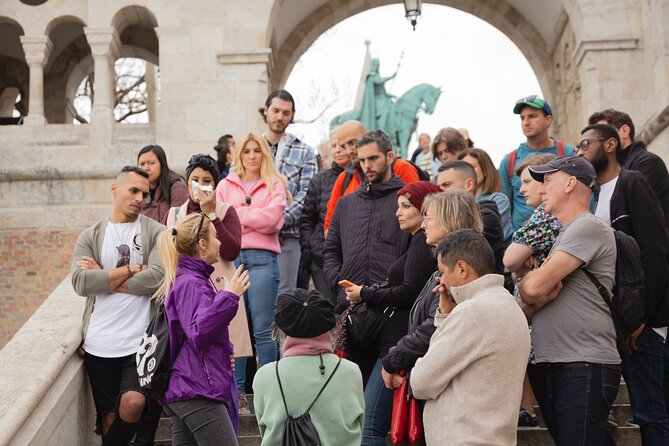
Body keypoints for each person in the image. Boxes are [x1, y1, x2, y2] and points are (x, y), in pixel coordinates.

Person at [577, 123, 669, 445]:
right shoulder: (593, 196)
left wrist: (641, 319)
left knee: (651, 413)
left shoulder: (632, 182)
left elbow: (656, 255)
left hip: (642, 325)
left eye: (586, 143)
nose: (580, 150)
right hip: (616, 322)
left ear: (611, 144)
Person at [519, 155, 620, 445]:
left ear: (571, 183)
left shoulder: (586, 226)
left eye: (548, 180)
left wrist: (532, 284)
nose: (541, 189)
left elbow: (534, 288)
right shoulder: (565, 233)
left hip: (583, 363)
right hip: (562, 362)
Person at [71, 166, 165, 446]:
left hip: (139, 342)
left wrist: (104, 275)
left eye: (145, 194)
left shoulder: (157, 232)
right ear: (115, 190)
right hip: (99, 343)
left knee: (134, 403)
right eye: (133, 190)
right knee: (109, 420)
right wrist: (134, 268)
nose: (140, 198)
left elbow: (159, 277)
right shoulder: (91, 235)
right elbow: (79, 282)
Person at [343, 181, 440, 446]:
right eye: (398, 206)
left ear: (426, 209)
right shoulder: (416, 241)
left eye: (406, 206)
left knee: (370, 430)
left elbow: (408, 293)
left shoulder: (422, 241)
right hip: (397, 344)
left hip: (398, 346)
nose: (398, 212)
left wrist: (365, 294)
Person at [411, 229, 530, 445]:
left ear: (462, 268)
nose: (441, 280)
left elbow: (421, 382)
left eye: (442, 272)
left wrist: (447, 318)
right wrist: (446, 316)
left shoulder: (472, 312)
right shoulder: (509, 305)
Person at [323, 130, 412, 383]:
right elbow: (330, 250)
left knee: (380, 406)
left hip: (393, 313)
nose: (366, 166)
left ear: (390, 156)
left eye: (373, 158)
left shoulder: (405, 200)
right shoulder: (346, 203)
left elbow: (416, 249)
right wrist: (337, 281)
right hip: (351, 312)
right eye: (361, 161)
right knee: (352, 403)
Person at [156, 213, 250, 445]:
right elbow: (199, 332)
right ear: (202, 244)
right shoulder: (191, 282)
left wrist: (223, 355)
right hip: (196, 389)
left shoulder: (190, 279)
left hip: (188, 387)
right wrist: (229, 296)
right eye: (215, 237)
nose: (220, 243)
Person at [381, 191, 484, 395]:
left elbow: (434, 326)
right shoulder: (445, 265)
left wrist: (393, 359)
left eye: (428, 218)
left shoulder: (459, 269)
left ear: (449, 220)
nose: (423, 224)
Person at [215, 132, 288, 414]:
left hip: (262, 260)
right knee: (234, 328)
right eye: (247, 151)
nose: (252, 155)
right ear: (239, 155)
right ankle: (237, 393)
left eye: (258, 150)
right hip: (230, 260)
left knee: (262, 330)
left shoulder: (275, 184)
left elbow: (272, 222)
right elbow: (218, 220)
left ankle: (267, 393)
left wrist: (236, 215)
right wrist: (247, 216)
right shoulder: (224, 184)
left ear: (264, 154)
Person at [164, 154, 251, 359]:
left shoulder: (226, 210)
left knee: (230, 356)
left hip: (222, 290)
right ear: (187, 183)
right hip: (188, 295)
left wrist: (212, 215)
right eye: (195, 180)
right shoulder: (174, 215)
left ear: (215, 185)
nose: (200, 186)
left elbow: (231, 251)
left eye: (207, 181)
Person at [253, 289, 365, 446]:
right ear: (329, 327)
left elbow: (264, 430)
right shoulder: (351, 372)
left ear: (283, 329)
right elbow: (359, 427)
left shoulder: (264, 375)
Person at [503, 153, 560, 428]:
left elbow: (509, 259)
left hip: (543, 325)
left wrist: (520, 264)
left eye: (527, 181)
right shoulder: (542, 215)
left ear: (547, 181)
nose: (521, 188)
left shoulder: (545, 216)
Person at [260, 89, 317, 297]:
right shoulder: (250, 148)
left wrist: (278, 222)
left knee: (285, 295)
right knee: (253, 295)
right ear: (266, 111)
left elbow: (307, 193)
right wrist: (262, 223)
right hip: (253, 235)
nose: (280, 116)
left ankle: (281, 332)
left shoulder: (304, 151)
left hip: (289, 234)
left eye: (286, 112)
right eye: (275, 110)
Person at [323, 120, 420, 232]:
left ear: (366, 137)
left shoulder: (400, 167)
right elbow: (329, 227)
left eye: (352, 142)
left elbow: (418, 212)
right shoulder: (344, 179)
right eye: (343, 146)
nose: (348, 151)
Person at [498, 95, 574, 231]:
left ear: (548, 120)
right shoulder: (509, 161)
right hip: (521, 242)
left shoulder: (568, 154)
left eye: (532, 116)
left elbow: (583, 196)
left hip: (564, 237)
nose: (526, 122)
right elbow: (503, 208)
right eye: (522, 118)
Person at [588, 108, 669, 227]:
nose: (597, 144)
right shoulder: (603, 175)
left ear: (624, 131)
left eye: (601, 134)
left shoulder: (647, 163)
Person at [435, 160, 508, 288]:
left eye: (446, 185)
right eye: (438, 187)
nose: (440, 192)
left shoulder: (486, 217)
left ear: (468, 184)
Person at [300, 130, 351, 303]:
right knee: (327, 310)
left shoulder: (363, 179)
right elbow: (307, 220)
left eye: (342, 145)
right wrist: (311, 252)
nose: (337, 150)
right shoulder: (319, 180)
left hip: (352, 258)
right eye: (334, 146)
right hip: (322, 258)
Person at [459, 148, 513, 242]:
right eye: (462, 168)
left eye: (471, 167)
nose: (466, 172)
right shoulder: (458, 202)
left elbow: (486, 235)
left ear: (484, 170)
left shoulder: (498, 200)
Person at [137, 145, 189, 223]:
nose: (145, 168)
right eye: (142, 164)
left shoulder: (177, 187)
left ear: (162, 164)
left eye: (151, 163)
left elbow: (180, 224)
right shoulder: (138, 191)